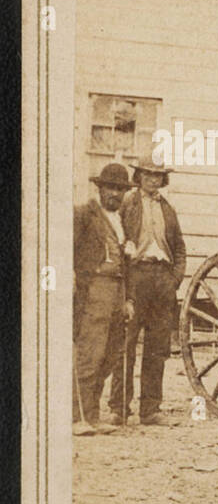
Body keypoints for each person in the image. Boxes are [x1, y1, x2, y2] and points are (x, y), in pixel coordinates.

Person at [111, 160, 187, 426]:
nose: (153, 180)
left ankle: (150, 409)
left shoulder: (168, 209)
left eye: (158, 176)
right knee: (126, 344)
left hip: (163, 280)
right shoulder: (127, 204)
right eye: (148, 175)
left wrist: (175, 278)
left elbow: (179, 247)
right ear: (139, 176)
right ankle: (119, 408)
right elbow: (117, 240)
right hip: (136, 276)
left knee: (157, 347)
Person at [72, 163, 135, 435]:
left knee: (109, 356)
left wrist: (129, 300)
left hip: (118, 291)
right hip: (94, 288)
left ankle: (94, 415)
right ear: (100, 188)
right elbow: (68, 250)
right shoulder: (85, 215)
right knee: (90, 354)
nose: (115, 194)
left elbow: (128, 266)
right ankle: (76, 417)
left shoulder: (122, 221)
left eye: (120, 190)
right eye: (110, 188)